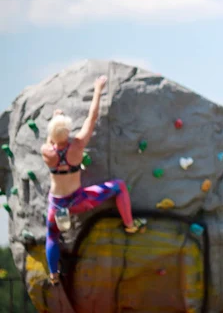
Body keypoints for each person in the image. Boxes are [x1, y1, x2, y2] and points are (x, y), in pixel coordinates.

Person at [41, 75, 145, 286]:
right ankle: (129, 224)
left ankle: (53, 274)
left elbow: (51, 142)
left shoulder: (46, 151)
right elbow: (92, 116)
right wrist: (98, 90)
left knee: (51, 236)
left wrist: (55, 122)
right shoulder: (77, 147)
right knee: (119, 187)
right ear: (68, 131)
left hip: (56, 205)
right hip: (79, 201)